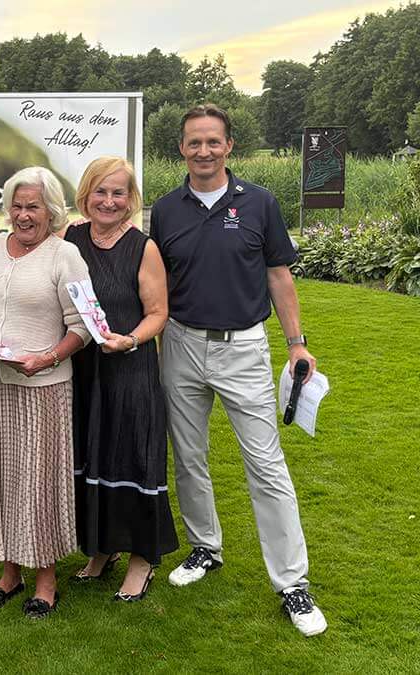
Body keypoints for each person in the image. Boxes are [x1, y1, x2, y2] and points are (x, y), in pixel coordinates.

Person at [150, 104, 327, 636]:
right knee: (188, 458)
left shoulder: (260, 203)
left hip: (243, 348)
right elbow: (157, 284)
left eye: (213, 141)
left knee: (266, 465)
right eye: (194, 142)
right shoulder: (166, 210)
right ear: (181, 149)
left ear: (229, 146)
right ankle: (205, 547)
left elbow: (278, 277)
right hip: (180, 343)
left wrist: (296, 345)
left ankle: (292, 582)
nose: (203, 151)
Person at [0, 166, 91, 619]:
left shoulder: (65, 256)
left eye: (33, 206)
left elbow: (82, 327)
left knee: (37, 483)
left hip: (41, 389)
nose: (23, 215)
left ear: (51, 211)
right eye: (16, 206)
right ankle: (9, 573)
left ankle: (46, 581)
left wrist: (48, 357)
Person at [64, 156, 178, 601]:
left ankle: (142, 559)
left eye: (118, 193)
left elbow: (158, 313)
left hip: (129, 368)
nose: (109, 201)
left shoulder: (143, 247)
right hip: (84, 370)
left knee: (131, 459)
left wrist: (129, 340)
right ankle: (101, 549)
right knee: (93, 457)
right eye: (101, 191)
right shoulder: (71, 237)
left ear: (131, 200)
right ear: (86, 195)